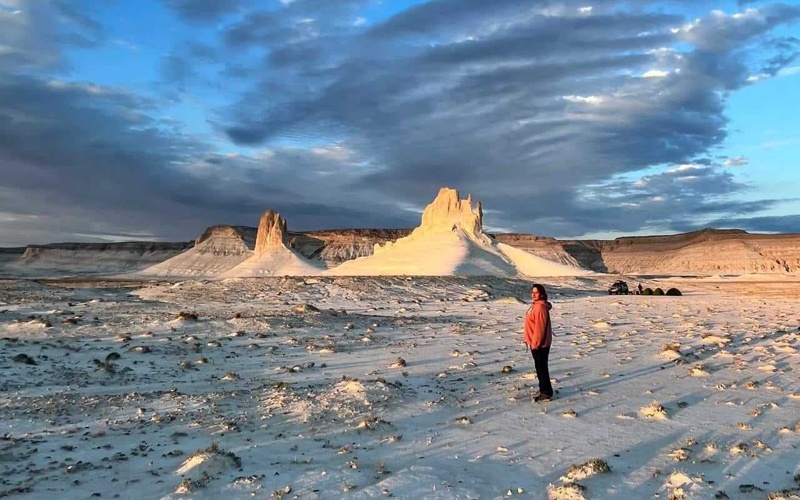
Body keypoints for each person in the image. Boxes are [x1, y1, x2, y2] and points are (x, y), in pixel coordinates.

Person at [523, 284, 554, 402]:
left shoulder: (540, 307)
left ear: (541, 294)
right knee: (540, 367)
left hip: (540, 344)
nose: (533, 294)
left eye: (536, 292)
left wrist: (535, 343)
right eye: (532, 292)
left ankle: (546, 393)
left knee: (542, 368)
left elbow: (540, 328)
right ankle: (544, 390)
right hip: (536, 342)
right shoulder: (535, 306)